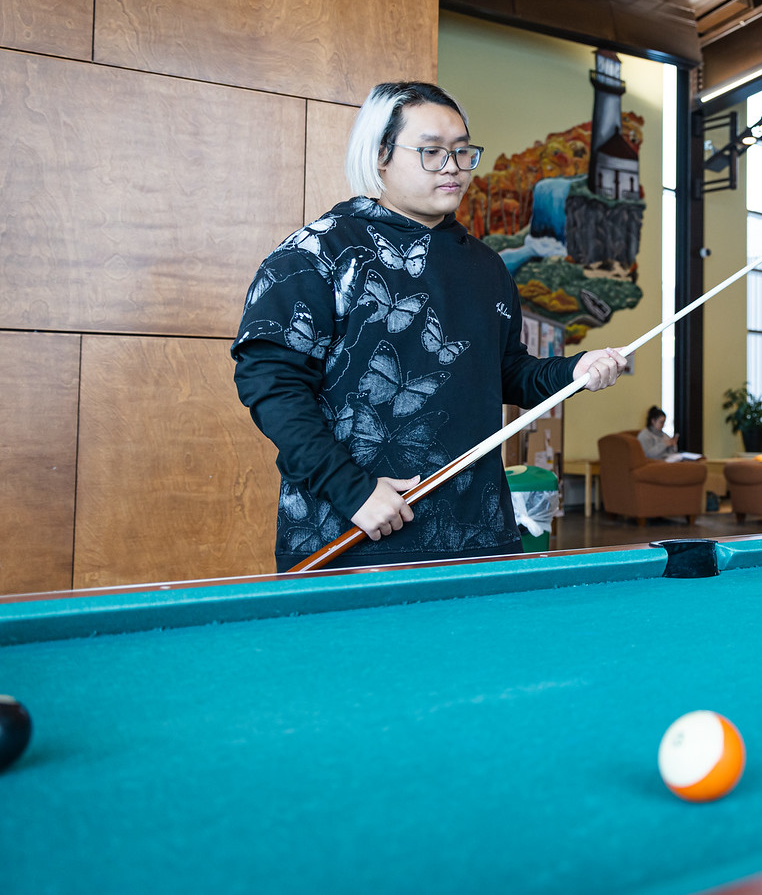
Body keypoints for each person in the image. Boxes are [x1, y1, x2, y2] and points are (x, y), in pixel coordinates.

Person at [233, 81, 626, 571]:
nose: (453, 167)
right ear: (380, 155)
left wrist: (574, 372)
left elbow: (505, 372)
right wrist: (351, 490)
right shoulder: (317, 252)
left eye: (462, 151)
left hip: (479, 530)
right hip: (356, 528)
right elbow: (270, 382)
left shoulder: (487, 266)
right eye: (432, 152)